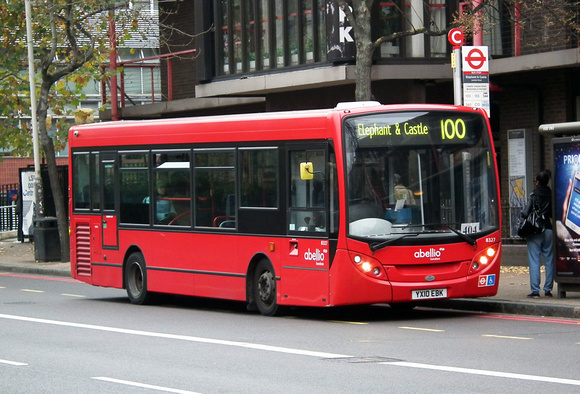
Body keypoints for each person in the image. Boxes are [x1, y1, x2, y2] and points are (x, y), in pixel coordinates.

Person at [521, 170, 554, 298]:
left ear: (537, 182)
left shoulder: (534, 195)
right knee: (549, 260)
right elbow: (553, 213)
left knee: (534, 260)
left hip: (535, 231)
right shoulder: (551, 194)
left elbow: (525, 213)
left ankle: (535, 290)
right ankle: (548, 290)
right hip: (548, 229)